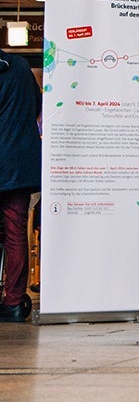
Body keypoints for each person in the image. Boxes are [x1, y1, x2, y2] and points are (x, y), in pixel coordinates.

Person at [0, 42, 41, 323]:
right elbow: (36, 106)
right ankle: (13, 302)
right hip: (18, 168)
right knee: (15, 234)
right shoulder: (21, 67)